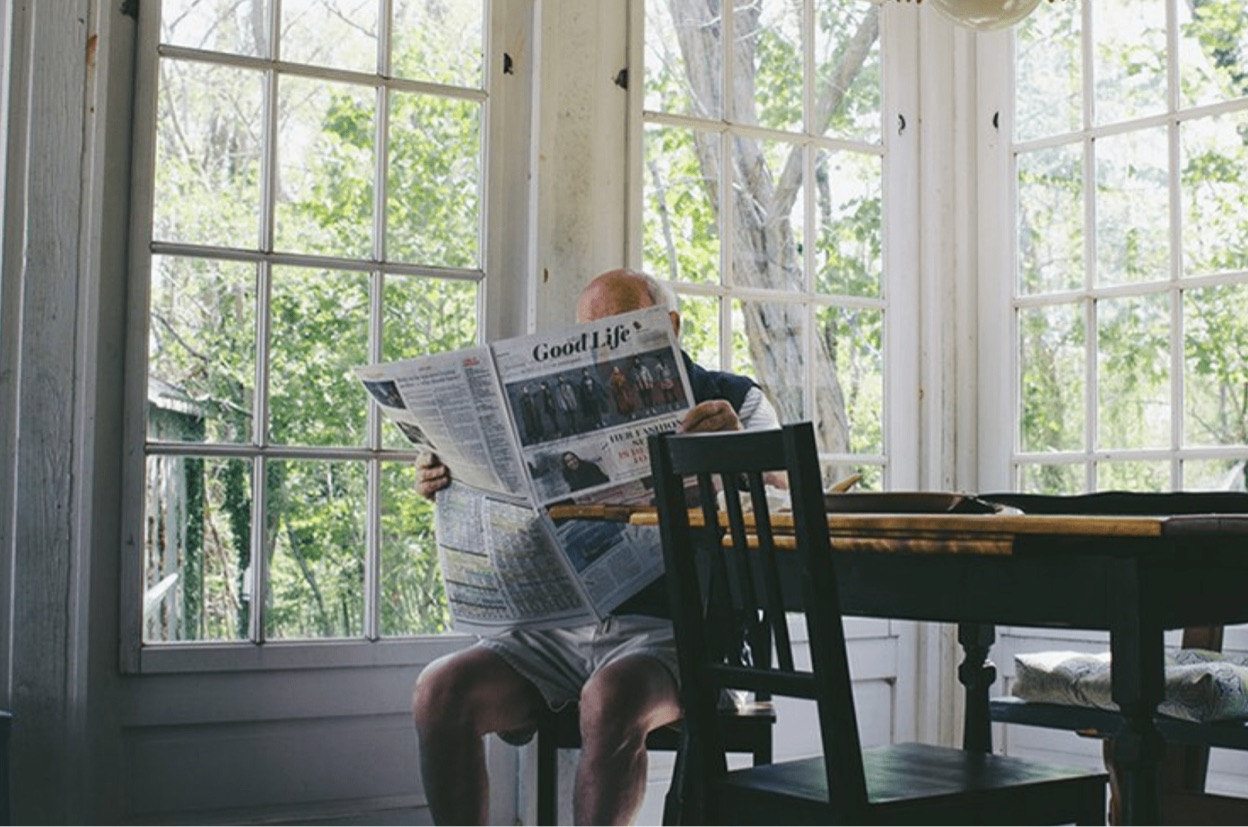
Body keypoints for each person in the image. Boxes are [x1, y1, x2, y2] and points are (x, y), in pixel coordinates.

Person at [411, 268, 780, 826]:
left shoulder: (732, 400)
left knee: (610, 698)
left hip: (675, 635)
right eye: (591, 338)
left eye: (621, 333)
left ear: (670, 327)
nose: (604, 359)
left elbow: (790, 504)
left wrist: (737, 455)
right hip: (556, 630)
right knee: (439, 691)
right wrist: (446, 473)